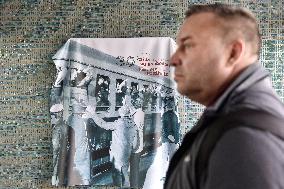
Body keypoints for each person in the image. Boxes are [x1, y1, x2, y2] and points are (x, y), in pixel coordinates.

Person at [164, 3, 284, 189]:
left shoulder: (245, 139)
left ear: (233, 53)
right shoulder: (233, 118)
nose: (173, 59)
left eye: (187, 45)